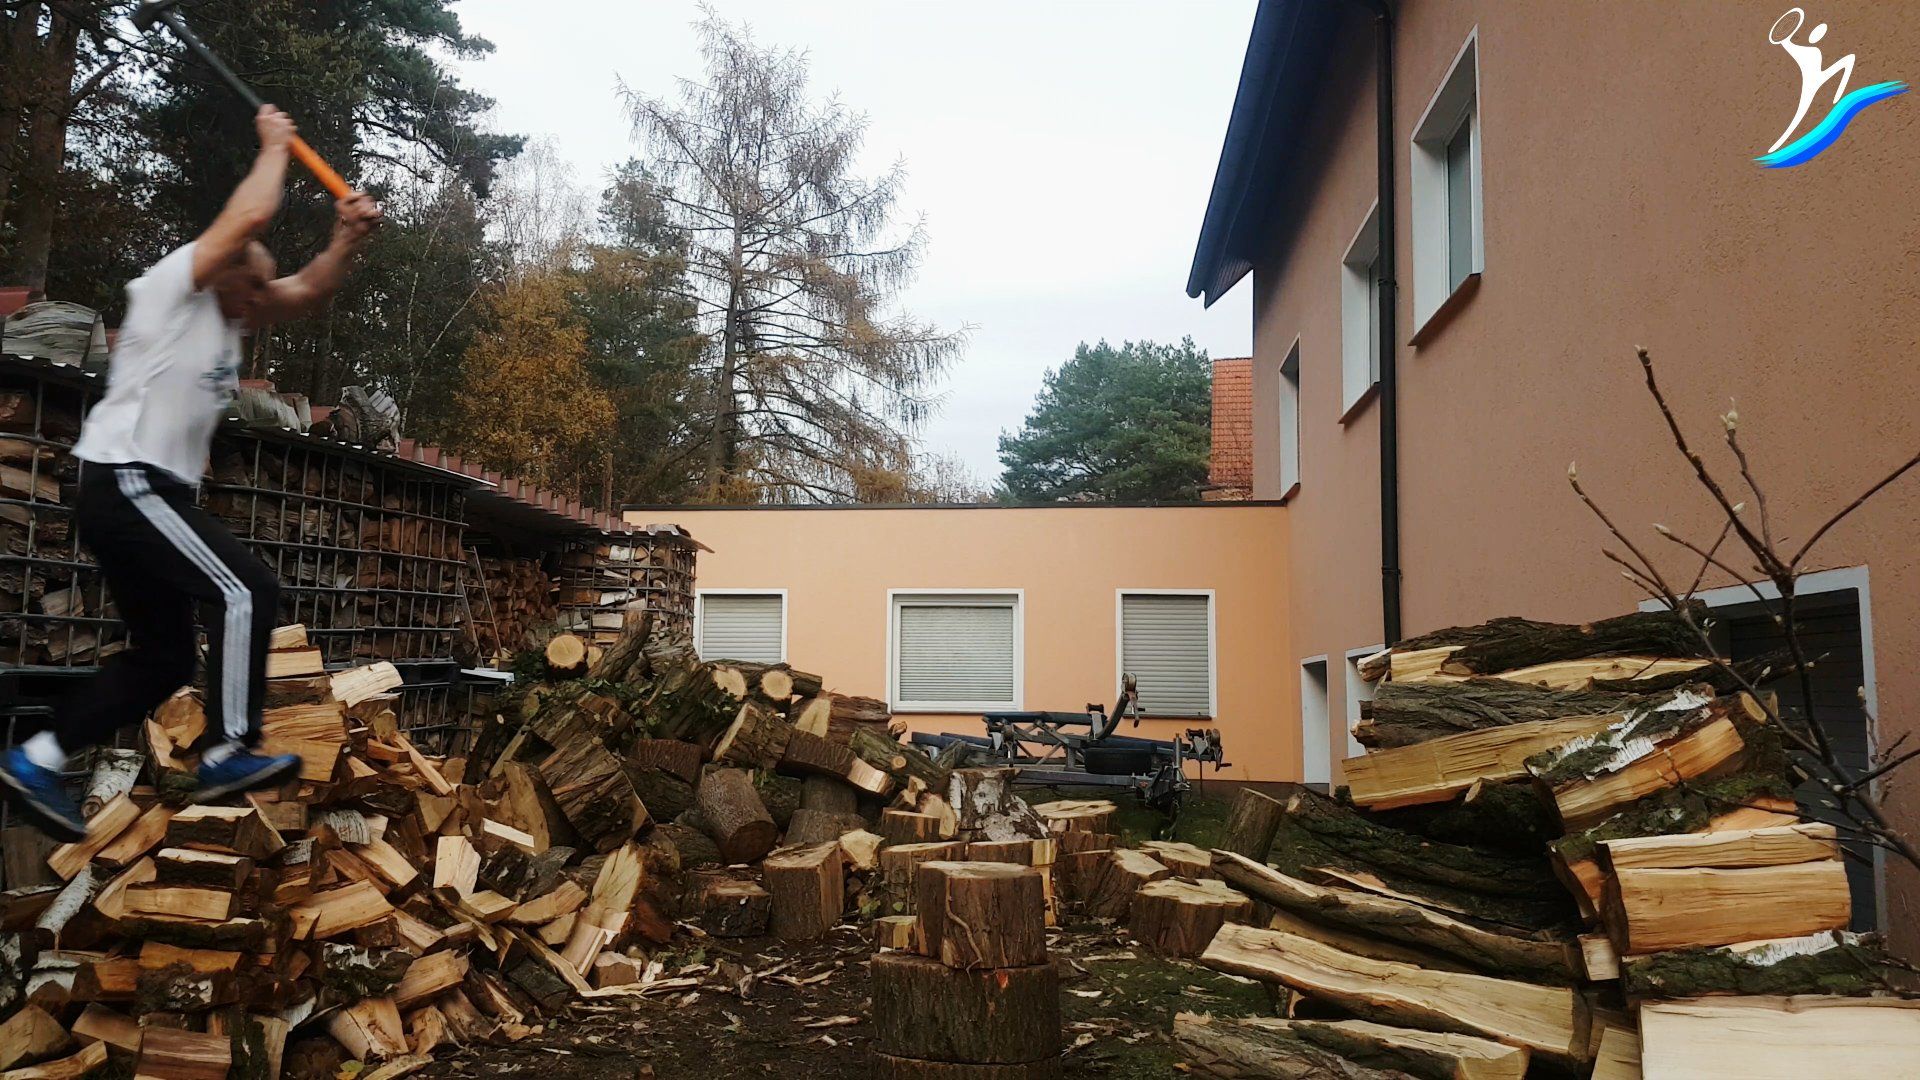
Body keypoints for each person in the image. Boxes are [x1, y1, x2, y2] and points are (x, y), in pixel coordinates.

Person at [0, 105, 383, 840]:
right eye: (250, 289)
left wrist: (346, 237)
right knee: (247, 589)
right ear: (223, 268)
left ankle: (36, 759)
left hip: (140, 493)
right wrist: (275, 145)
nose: (257, 308)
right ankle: (229, 750)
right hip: (128, 477)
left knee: (167, 658)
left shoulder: (228, 317)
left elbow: (305, 290)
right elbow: (245, 218)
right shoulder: (174, 285)